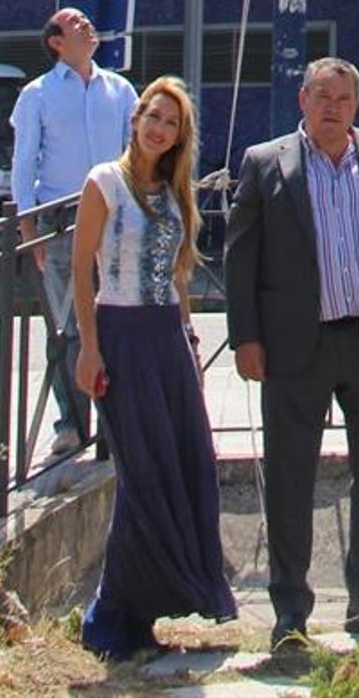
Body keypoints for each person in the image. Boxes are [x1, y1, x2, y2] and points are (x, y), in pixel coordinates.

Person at [224, 56, 359, 660]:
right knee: (291, 480)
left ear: (356, 105)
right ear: (303, 100)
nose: (332, 108)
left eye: (343, 99)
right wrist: (245, 337)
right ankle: (291, 613)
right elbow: (241, 258)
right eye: (322, 96)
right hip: (295, 345)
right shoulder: (266, 164)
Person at [73, 77, 237, 660]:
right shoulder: (104, 182)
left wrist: (189, 338)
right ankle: (110, 614)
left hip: (166, 335)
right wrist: (89, 347)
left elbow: (177, 274)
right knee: (142, 474)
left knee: (183, 463)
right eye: (153, 116)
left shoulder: (173, 192)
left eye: (171, 123)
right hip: (121, 333)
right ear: (136, 118)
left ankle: (143, 611)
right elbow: (82, 270)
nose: (159, 129)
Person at [10, 8, 137, 456]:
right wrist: (28, 224)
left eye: (86, 21)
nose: (86, 25)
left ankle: (114, 420)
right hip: (61, 219)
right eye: (74, 23)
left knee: (118, 317)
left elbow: (135, 150)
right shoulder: (37, 94)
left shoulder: (119, 89)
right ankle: (71, 423)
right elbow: (25, 160)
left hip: (115, 217)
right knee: (68, 324)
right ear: (56, 43)